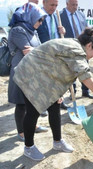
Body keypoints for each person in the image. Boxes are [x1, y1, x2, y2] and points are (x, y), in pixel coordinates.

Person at [13, 27, 93, 161]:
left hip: (45, 77)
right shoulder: (76, 50)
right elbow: (85, 75)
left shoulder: (74, 44)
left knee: (55, 107)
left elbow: (62, 68)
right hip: (30, 75)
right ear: (89, 45)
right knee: (33, 111)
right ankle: (28, 147)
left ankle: (57, 142)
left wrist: (57, 92)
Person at [7, 2, 48, 141]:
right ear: (30, 16)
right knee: (21, 103)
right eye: (39, 19)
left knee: (32, 101)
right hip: (20, 72)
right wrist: (42, 52)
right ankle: (22, 132)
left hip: (32, 71)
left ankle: (33, 126)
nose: (41, 23)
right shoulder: (18, 30)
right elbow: (27, 51)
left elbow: (37, 49)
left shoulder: (32, 30)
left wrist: (40, 51)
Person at [37, 0, 70, 110]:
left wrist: (63, 30)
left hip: (56, 52)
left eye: (56, 5)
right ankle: (42, 105)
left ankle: (59, 101)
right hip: (42, 52)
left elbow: (58, 33)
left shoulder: (56, 16)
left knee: (57, 78)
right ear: (44, 3)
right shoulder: (37, 15)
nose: (54, 7)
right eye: (52, 5)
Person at [60, 0, 93, 99]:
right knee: (71, 69)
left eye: (76, 5)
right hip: (70, 46)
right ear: (67, 4)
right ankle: (73, 92)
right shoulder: (61, 16)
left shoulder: (80, 14)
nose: (75, 7)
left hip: (83, 46)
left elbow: (85, 28)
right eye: (73, 5)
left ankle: (85, 91)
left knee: (85, 67)